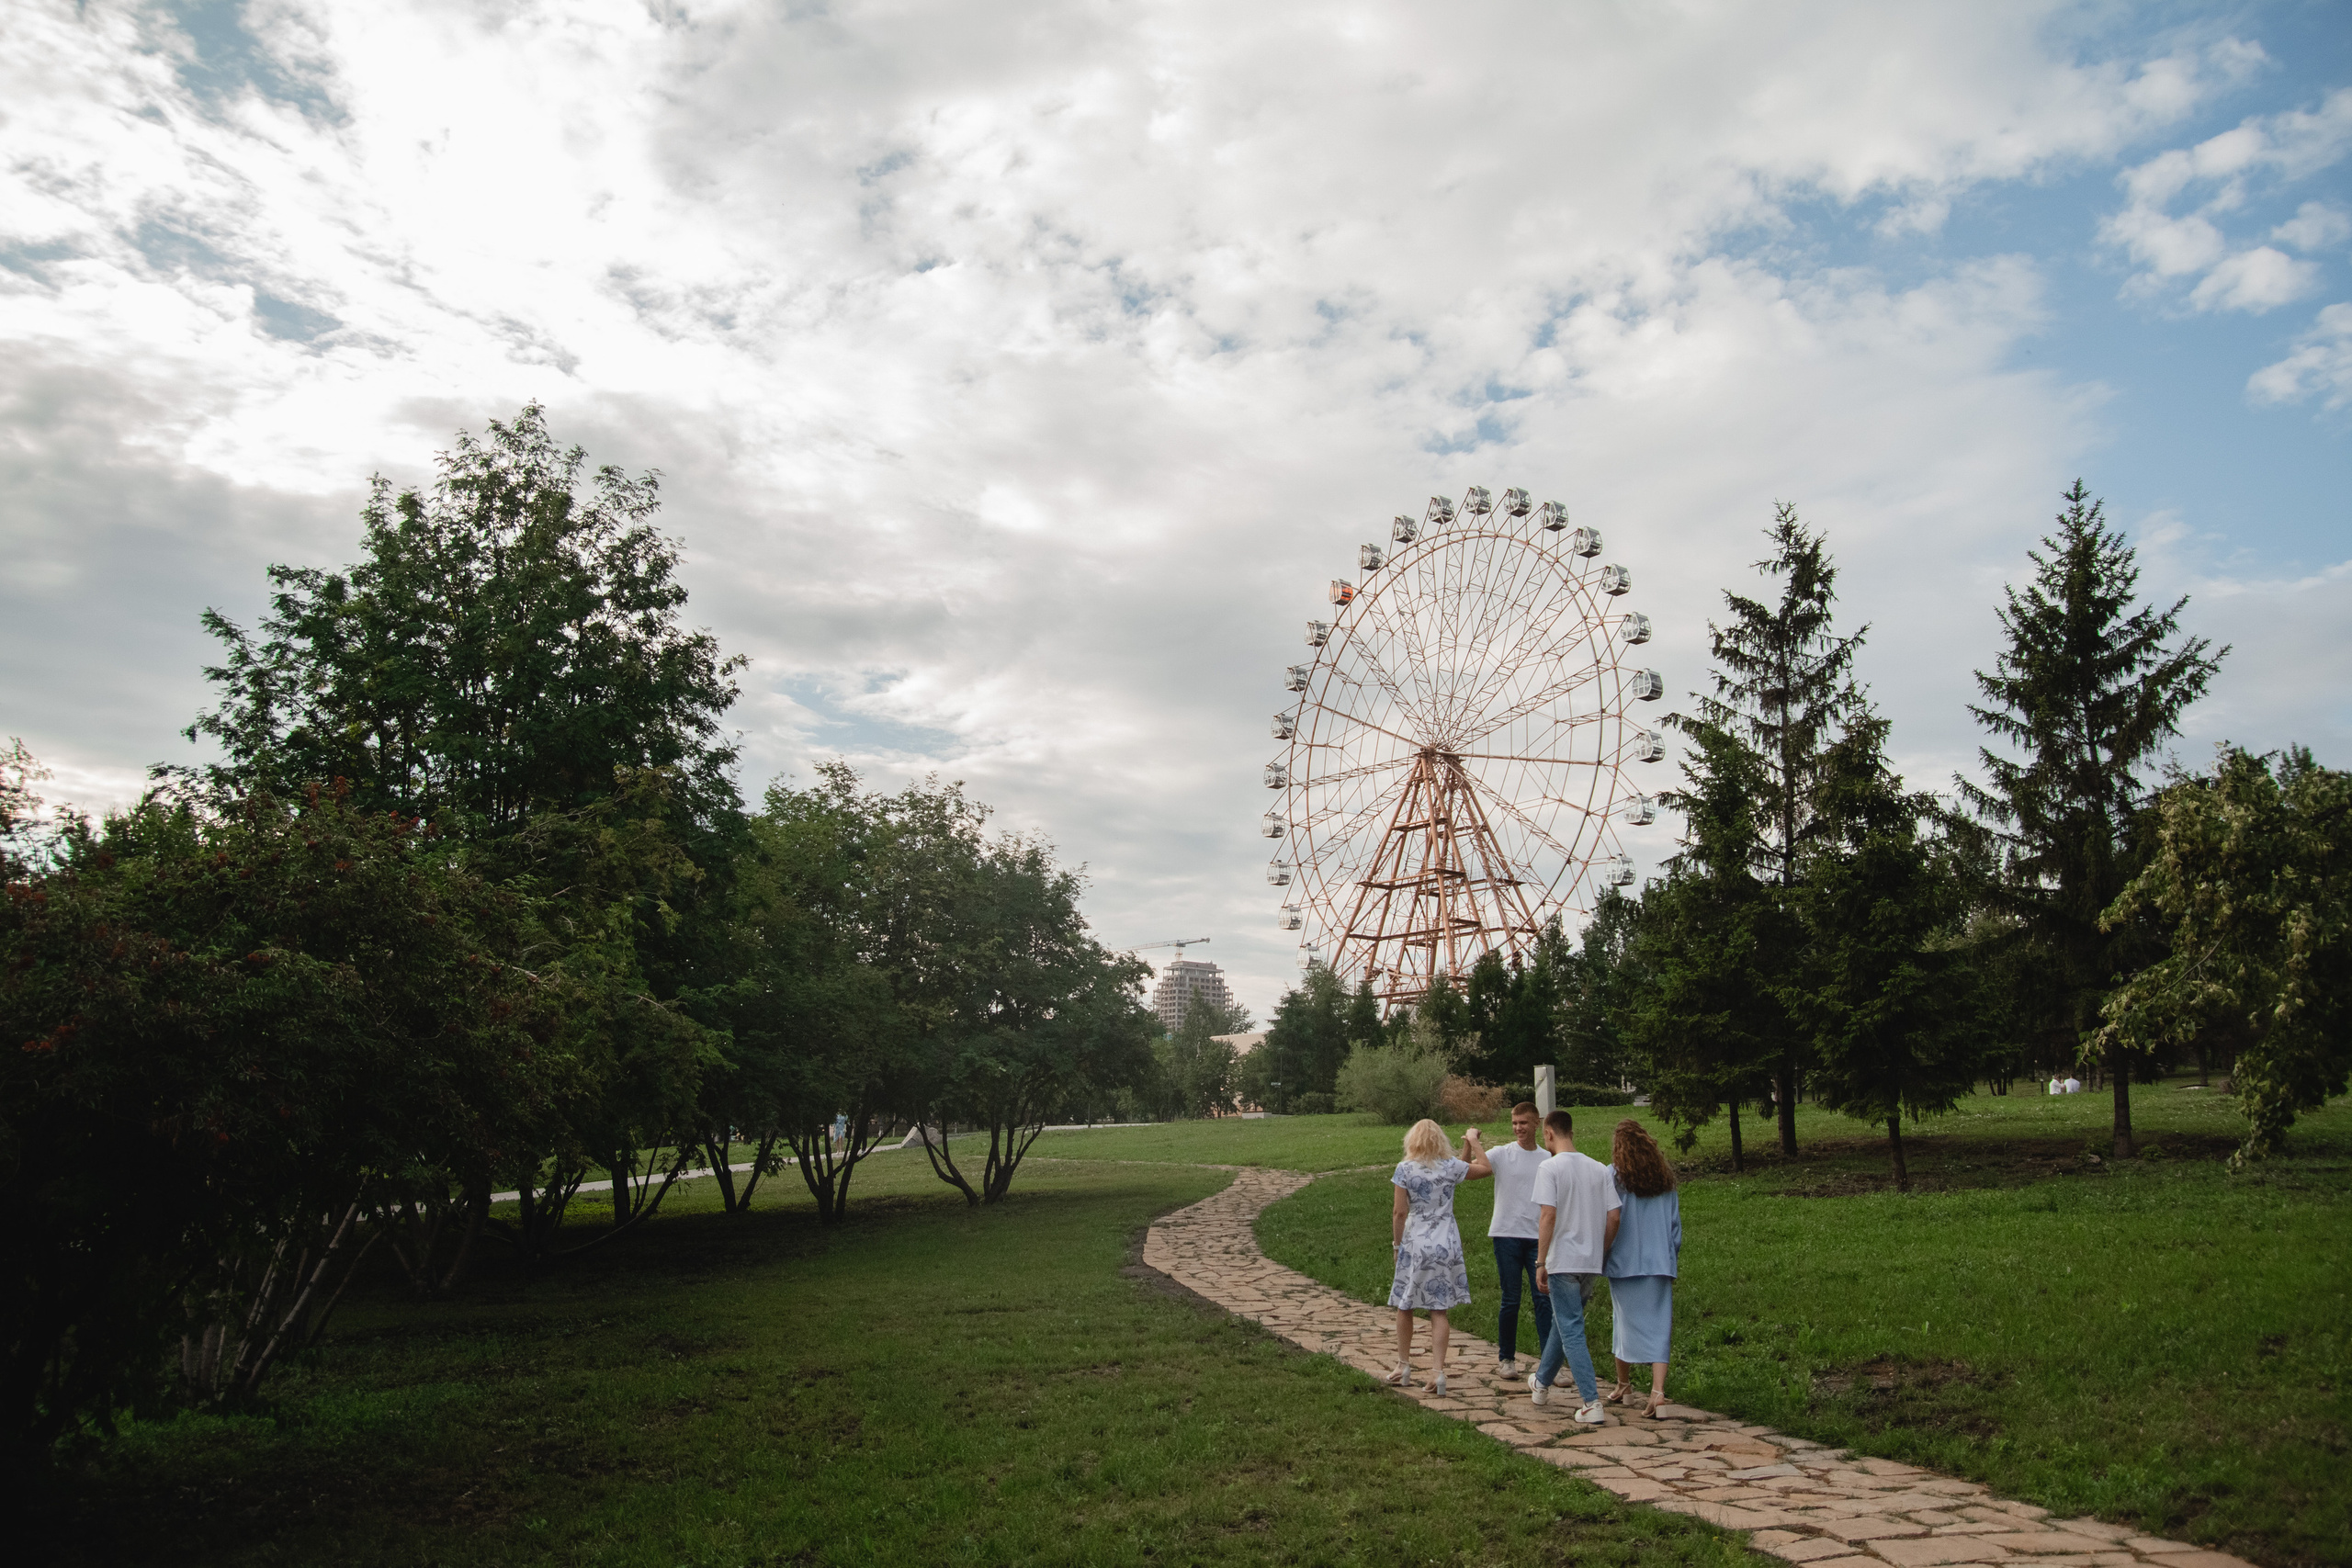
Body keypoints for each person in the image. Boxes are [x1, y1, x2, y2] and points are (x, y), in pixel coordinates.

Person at [1529, 1109, 1618, 1427]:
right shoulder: (1599, 1169)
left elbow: (1547, 1216)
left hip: (1562, 1260)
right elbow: (1614, 1216)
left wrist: (1540, 1261)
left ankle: (1591, 1401)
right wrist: (1601, 1250)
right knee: (1564, 1322)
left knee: (1571, 1328)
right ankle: (1540, 1383)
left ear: (1549, 1133)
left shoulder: (1549, 1167)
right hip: (1590, 1262)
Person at [1387, 1117, 1489, 1394]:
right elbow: (1484, 1168)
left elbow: (1399, 1212)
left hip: (1415, 1241)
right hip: (1445, 1242)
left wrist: (1397, 1245)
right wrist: (1473, 1141)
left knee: (1405, 1304)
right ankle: (1438, 1372)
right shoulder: (1450, 1167)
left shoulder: (1405, 1169)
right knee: (1438, 1309)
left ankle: (1403, 1365)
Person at [1601, 1118, 1682, 1416]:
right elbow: (1675, 1227)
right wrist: (1671, 1253)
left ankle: (1624, 1384)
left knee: (1622, 1321)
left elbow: (1609, 1217)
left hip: (1624, 1263)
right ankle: (1657, 1391)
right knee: (1661, 1326)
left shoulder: (1613, 1177)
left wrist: (1602, 1253)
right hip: (1659, 1262)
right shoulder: (1665, 1179)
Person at [1484, 1101, 1553, 1375]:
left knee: (1543, 1299)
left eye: (1523, 1123)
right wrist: (1472, 1142)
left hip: (1537, 1238)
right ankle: (1506, 1359)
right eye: (1514, 1123)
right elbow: (1471, 1169)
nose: (1518, 1128)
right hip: (1506, 1235)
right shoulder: (1502, 1154)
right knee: (1511, 1298)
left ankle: (1549, 1365)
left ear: (1536, 1123)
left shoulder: (1548, 1158)